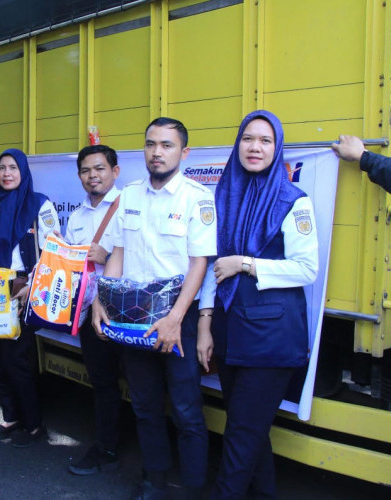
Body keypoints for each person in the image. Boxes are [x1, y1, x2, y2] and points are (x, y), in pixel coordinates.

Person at [92, 118, 216, 500]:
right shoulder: (129, 195)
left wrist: (175, 319)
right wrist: (101, 300)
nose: (157, 152)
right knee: (145, 406)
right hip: (133, 318)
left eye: (166, 145)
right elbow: (118, 253)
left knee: (186, 411)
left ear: (184, 152)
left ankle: (193, 489)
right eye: (150, 144)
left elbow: (199, 264)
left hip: (179, 317)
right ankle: (154, 482)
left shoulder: (197, 198)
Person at [207, 110, 318, 499]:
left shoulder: (293, 201)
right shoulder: (223, 194)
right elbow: (211, 265)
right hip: (230, 331)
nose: (255, 147)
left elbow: (306, 268)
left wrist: (246, 264)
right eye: (248, 138)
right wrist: (206, 324)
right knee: (249, 430)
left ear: (277, 148)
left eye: (265, 141)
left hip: (270, 339)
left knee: (241, 432)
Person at [0, 148, 60, 448]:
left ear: (23, 171)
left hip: (25, 289)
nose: (7, 173)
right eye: (2, 168)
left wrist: (33, 285)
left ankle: (34, 425)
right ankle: (10, 418)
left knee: (17, 359)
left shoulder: (40, 204)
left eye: (13, 167)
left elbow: (52, 250)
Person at [64, 145, 122, 475]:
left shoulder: (128, 208)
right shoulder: (76, 216)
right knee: (102, 382)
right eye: (86, 170)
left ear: (115, 171)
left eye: (99, 168)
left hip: (127, 311)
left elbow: (144, 256)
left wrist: (107, 257)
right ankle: (105, 447)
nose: (93, 176)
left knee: (144, 386)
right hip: (90, 312)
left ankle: (153, 465)